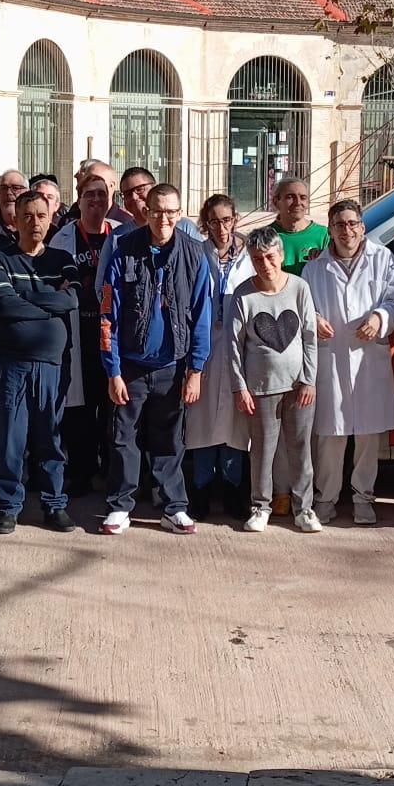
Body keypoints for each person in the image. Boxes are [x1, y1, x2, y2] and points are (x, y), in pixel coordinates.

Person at [97, 183, 212, 534]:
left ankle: (173, 506)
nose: (164, 218)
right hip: (130, 366)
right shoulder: (123, 250)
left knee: (170, 440)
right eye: (157, 211)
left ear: (180, 214)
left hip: (172, 366)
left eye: (171, 212)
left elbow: (202, 316)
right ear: (145, 212)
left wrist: (195, 370)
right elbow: (108, 316)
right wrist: (112, 370)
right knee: (123, 438)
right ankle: (119, 506)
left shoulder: (195, 255)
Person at [0, 184, 79, 533]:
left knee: (50, 438)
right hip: (12, 363)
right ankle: (9, 506)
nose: (34, 222)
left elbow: (72, 302)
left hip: (51, 364)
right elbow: (3, 305)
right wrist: (48, 298)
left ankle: (54, 505)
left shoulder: (62, 260)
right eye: (26, 216)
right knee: (11, 438)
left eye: (40, 215)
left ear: (51, 217)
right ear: (15, 220)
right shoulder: (0, 259)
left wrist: (27, 296)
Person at [303, 199, 394, 526]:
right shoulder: (314, 268)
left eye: (352, 223)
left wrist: (379, 316)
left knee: (368, 436)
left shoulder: (382, 259)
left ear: (363, 226)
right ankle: (326, 498)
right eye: (339, 225)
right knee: (330, 437)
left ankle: (363, 499)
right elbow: (304, 306)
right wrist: (313, 319)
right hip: (331, 357)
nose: (347, 230)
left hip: (367, 357)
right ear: (330, 230)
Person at [229, 226, 321, 532]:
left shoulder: (298, 287)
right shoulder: (244, 294)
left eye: (270, 257)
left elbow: (309, 336)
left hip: (297, 387)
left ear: (280, 255)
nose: (265, 265)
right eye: (257, 259)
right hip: (260, 387)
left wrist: (309, 379)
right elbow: (234, 344)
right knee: (262, 451)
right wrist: (239, 387)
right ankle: (260, 506)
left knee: (300, 448)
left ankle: (304, 508)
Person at [183, 193, 252, 519]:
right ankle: (199, 494)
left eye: (227, 220)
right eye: (214, 221)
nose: (221, 228)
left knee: (236, 427)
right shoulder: (196, 254)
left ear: (235, 219)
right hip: (204, 350)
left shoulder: (250, 256)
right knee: (201, 422)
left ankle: (234, 494)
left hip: (239, 350)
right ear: (205, 224)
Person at [268, 178, 328, 274]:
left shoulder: (323, 235)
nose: (297, 203)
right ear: (276, 202)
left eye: (303, 197)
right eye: (290, 197)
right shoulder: (265, 236)